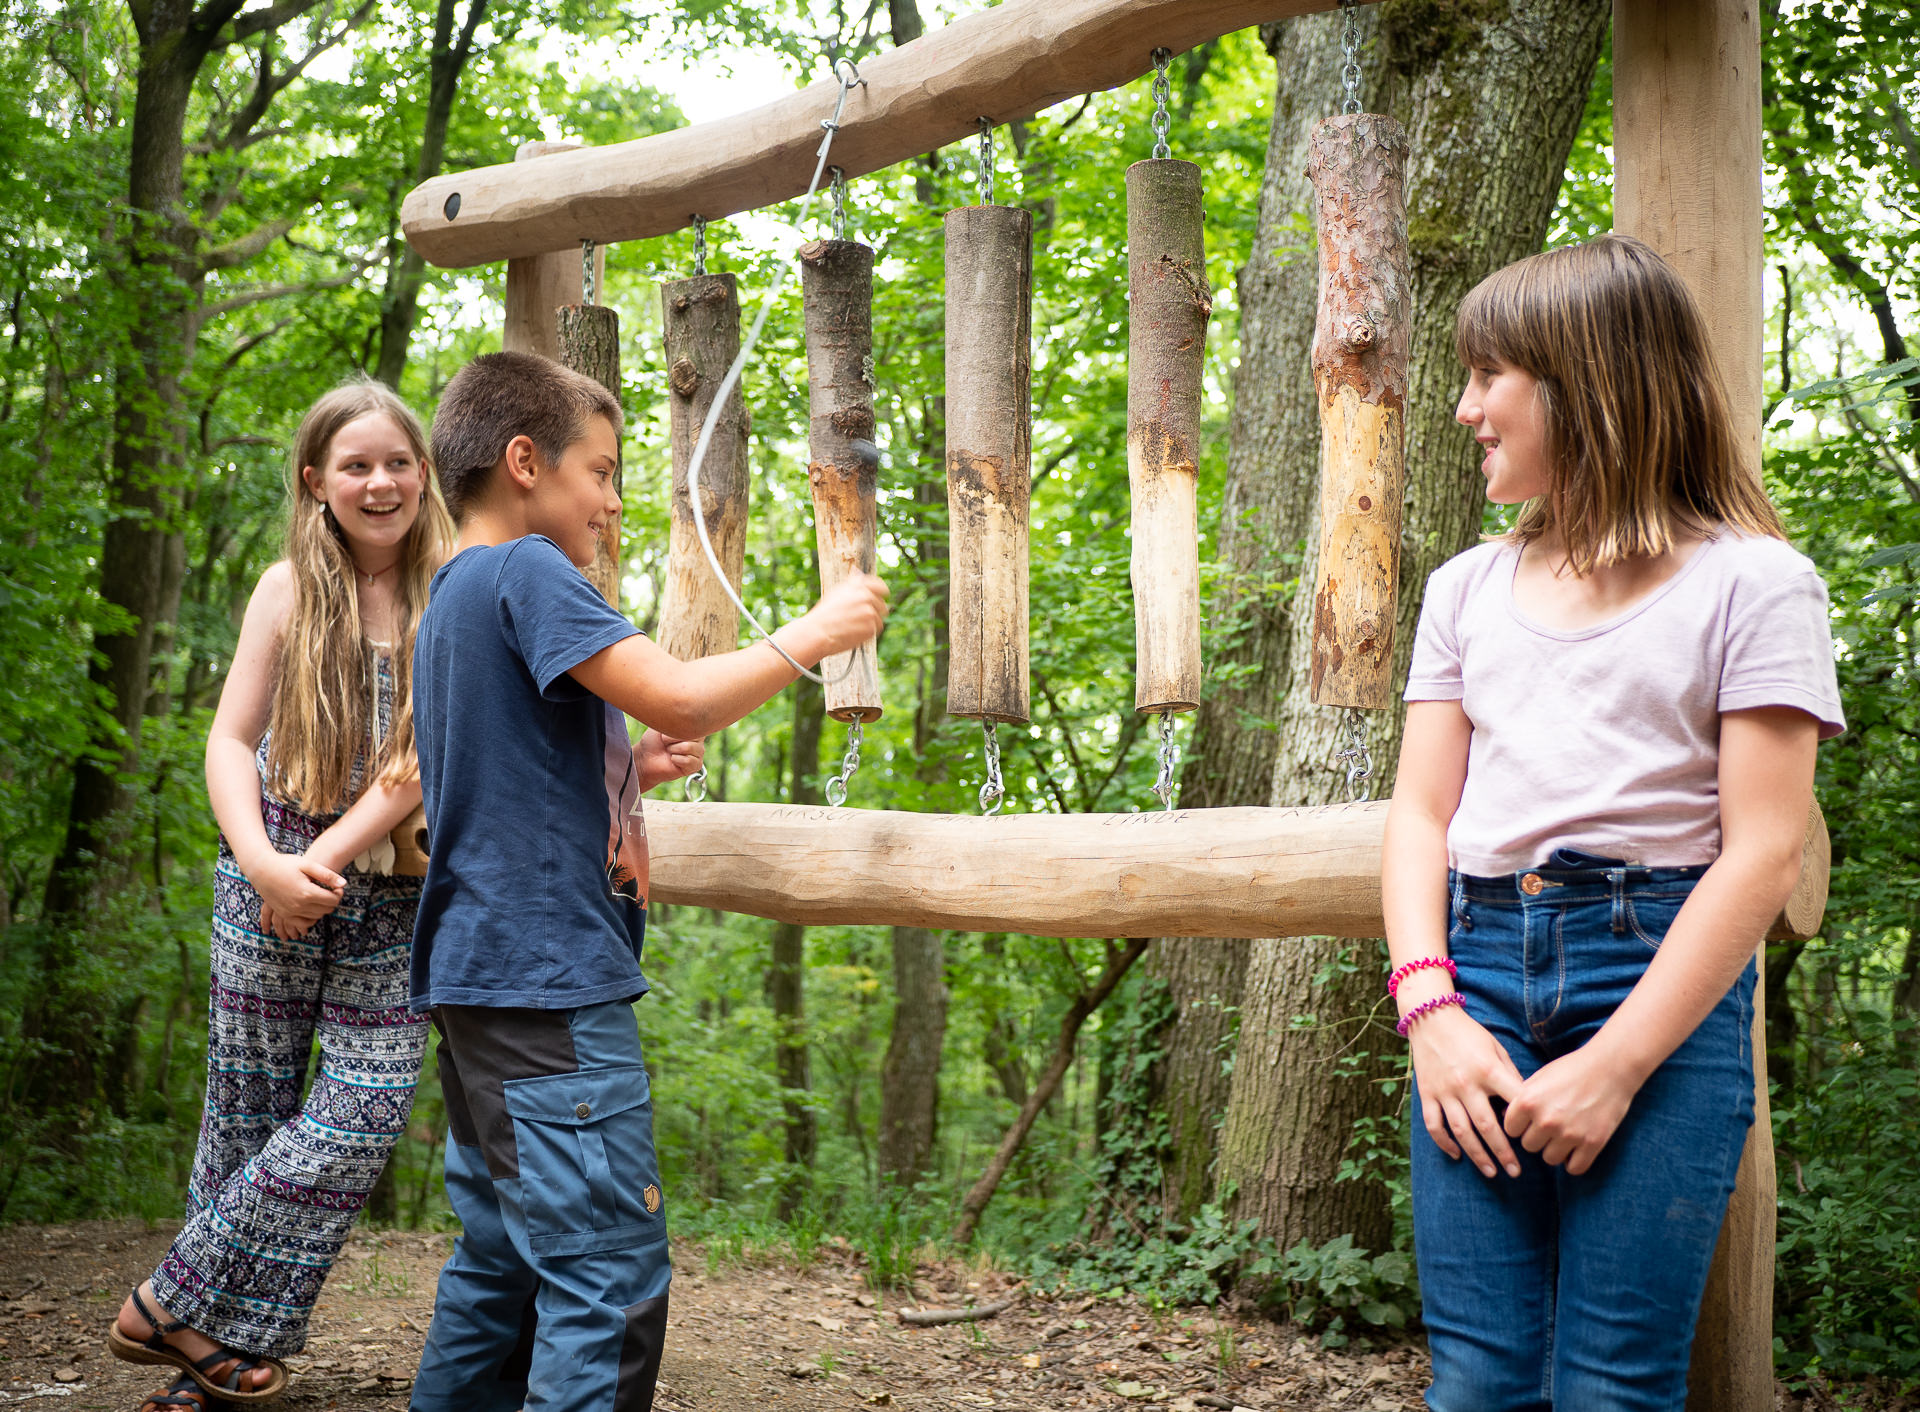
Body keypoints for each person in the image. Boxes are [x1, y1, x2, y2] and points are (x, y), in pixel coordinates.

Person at [1383, 233, 1845, 1411]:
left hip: (1662, 984)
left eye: (1489, 375)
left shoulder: (1755, 582)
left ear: (1586, 381)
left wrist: (1619, 1060)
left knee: (1612, 1386)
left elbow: (1764, 850)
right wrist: (1430, 1009)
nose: (1462, 406)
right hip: (1475, 970)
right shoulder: (1465, 588)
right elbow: (1420, 813)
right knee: (1480, 1381)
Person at [404, 351, 887, 1412]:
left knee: (504, 1260)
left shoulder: (451, 595)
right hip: (548, 987)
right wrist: (817, 631)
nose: (616, 502)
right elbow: (679, 693)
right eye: (604, 472)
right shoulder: (530, 569)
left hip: (476, 979)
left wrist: (623, 759)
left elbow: (503, 768)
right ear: (524, 463)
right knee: (606, 1270)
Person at [109, 381, 455, 1412]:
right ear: (316, 481)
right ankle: (211, 1360)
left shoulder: (457, 588)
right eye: (355, 465)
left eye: (397, 461)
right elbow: (229, 739)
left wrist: (326, 869)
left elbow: (419, 764)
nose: (380, 481)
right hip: (267, 871)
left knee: (364, 1108)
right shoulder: (286, 589)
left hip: (393, 893)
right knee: (245, 1117)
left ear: (425, 471)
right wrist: (262, 860)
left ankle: (168, 1300)